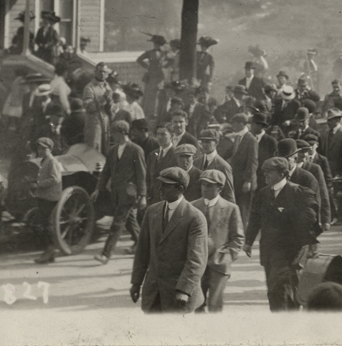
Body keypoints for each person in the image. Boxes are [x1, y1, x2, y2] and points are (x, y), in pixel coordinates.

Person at [244, 157, 319, 311]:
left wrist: (299, 248)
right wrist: (248, 242)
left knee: (287, 292)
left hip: (290, 254)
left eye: (269, 172)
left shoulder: (299, 193)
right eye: (264, 171)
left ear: (282, 173)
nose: (265, 175)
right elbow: (255, 219)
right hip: (269, 253)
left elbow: (309, 224)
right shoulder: (263, 193)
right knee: (273, 292)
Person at [130, 167, 208, 313]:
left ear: (180, 189)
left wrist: (184, 290)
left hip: (179, 295)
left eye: (166, 185)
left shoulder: (195, 217)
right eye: (160, 184)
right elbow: (142, 251)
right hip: (154, 293)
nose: (160, 188)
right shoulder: (152, 211)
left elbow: (197, 259)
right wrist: (136, 282)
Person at [189, 169, 244, 312]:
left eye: (209, 185)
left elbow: (238, 238)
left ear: (220, 188)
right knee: (196, 304)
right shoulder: (192, 207)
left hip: (219, 264)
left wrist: (226, 257)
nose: (205, 188)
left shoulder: (231, 208)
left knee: (215, 305)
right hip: (196, 264)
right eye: (203, 184)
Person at [93, 121, 147, 264]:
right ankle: (144, 245)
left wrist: (142, 196)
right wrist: (98, 188)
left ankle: (106, 254)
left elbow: (141, 174)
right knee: (129, 222)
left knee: (117, 223)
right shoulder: (112, 150)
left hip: (129, 194)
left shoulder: (136, 150)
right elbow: (106, 171)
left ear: (123, 132)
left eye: (114, 133)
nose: (112, 135)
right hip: (116, 193)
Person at [219, 113, 258, 222]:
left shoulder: (251, 139)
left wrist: (248, 181)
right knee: (237, 208)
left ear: (241, 124)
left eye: (234, 124)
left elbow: (253, 162)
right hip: (237, 179)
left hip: (245, 181)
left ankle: (243, 231)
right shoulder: (238, 137)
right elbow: (230, 152)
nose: (233, 126)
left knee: (243, 210)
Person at [32, 137, 63, 264]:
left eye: (43, 149)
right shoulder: (44, 161)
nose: (40, 151)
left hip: (50, 197)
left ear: (50, 149)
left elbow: (55, 179)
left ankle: (49, 250)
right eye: (39, 148)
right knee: (44, 223)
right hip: (44, 196)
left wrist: (39, 184)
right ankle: (50, 252)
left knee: (44, 224)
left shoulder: (52, 161)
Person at [192, 130, 236, 202]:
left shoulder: (223, 166)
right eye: (203, 141)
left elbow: (229, 194)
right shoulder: (196, 162)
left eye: (208, 142)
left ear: (216, 143)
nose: (204, 145)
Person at [138, 35, 170, 120]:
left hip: (161, 76)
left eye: (158, 44)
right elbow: (139, 59)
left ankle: (159, 112)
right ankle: (150, 113)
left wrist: (165, 66)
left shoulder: (165, 53)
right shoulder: (149, 53)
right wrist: (147, 67)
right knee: (151, 95)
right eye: (155, 44)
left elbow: (171, 60)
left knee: (160, 94)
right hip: (152, 76)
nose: (156, 45)